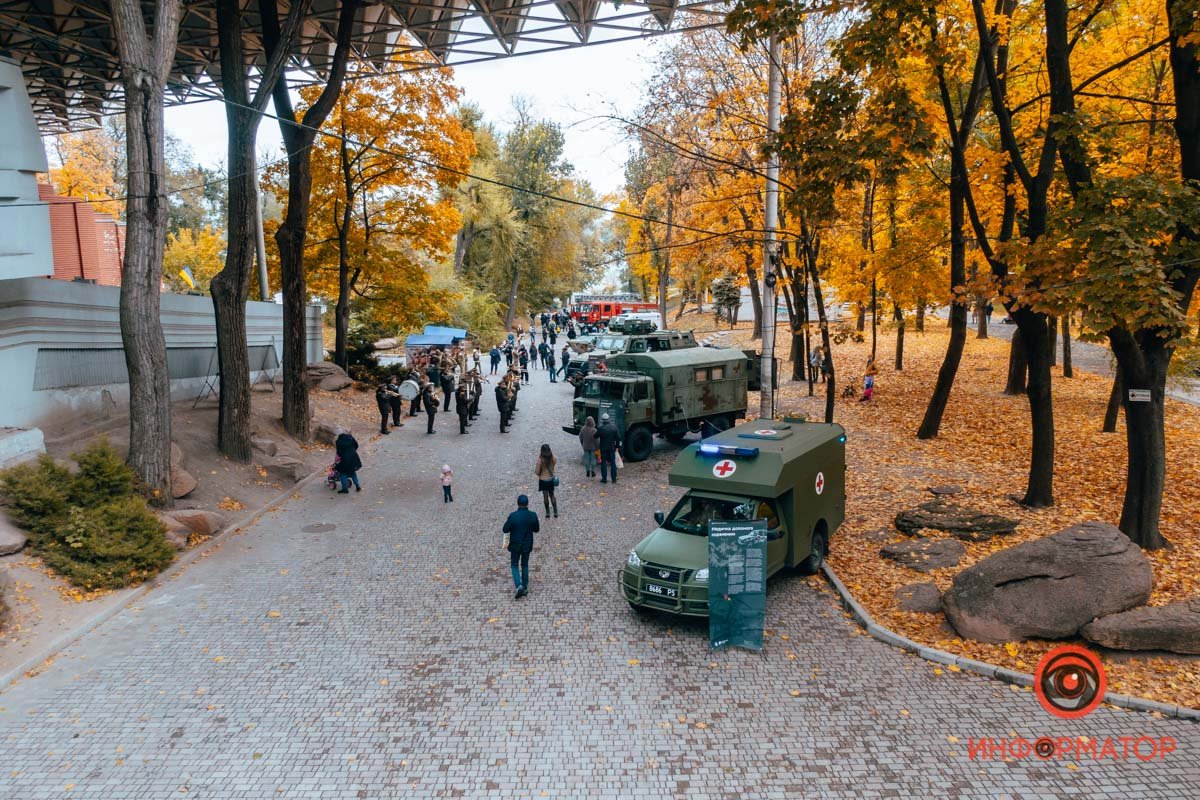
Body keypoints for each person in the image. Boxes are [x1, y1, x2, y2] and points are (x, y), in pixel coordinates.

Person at [503, 494, 540, 599]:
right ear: (527, 503)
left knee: (514, 565)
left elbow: (505, 529)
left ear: (517, 503)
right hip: (527, 545)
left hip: (515, 544)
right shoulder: (533, 515)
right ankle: (524, 586)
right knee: (525, 564)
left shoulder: (513, 516)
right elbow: (536, 529)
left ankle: (518, 585)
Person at [535, 443, 558, 518]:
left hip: (543, 480)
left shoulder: (540, 460)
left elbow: (537, 472)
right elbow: (554, 465)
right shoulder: (553, 458)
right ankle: (555, 511)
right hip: (550, 479)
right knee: (552, 494)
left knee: (545, 496)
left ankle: (547, 512)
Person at [596, 413, 621, 484]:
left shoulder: (600, 428)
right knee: (613, 463)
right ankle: (614, 479)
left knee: (603, 462)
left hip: (603, 448)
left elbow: (595, 436)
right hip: (611, 448)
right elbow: (618, 438)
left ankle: (604, 479)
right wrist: (617, 447)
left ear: (602, 420)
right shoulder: (614, 427)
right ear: (609, 419)